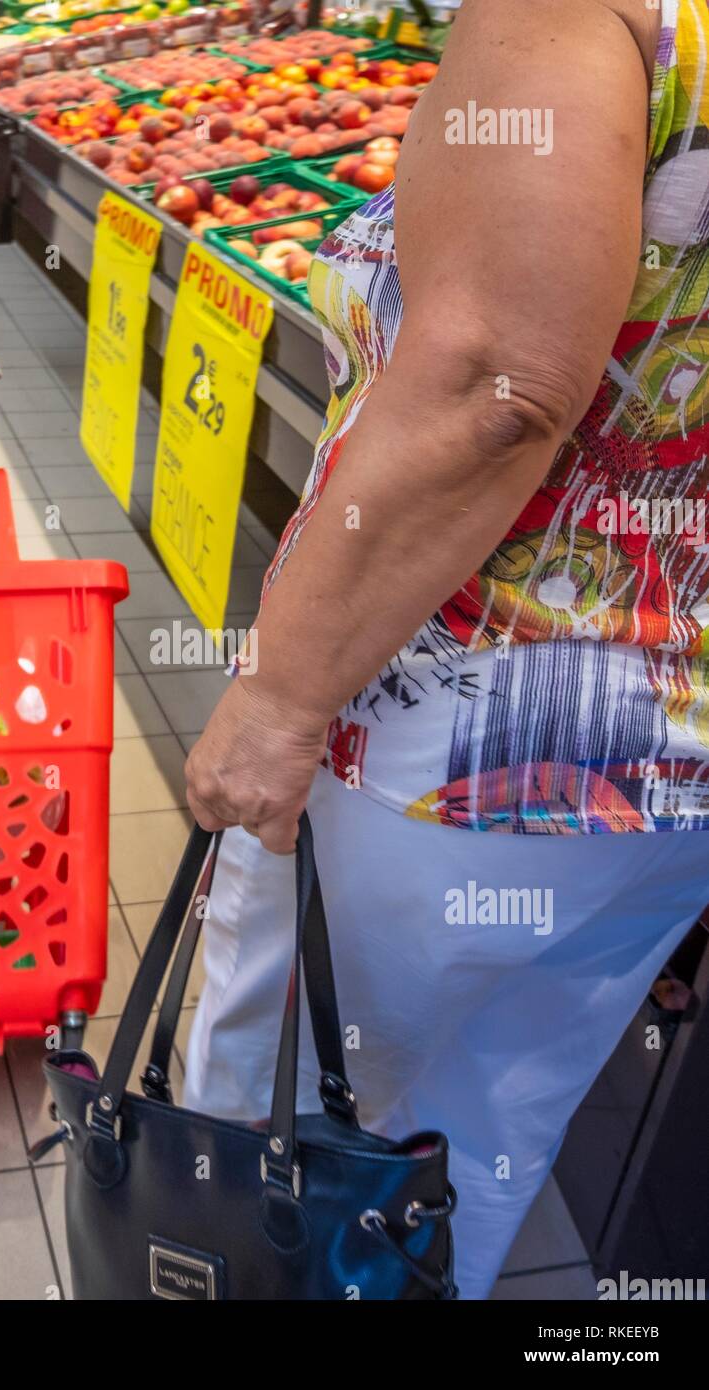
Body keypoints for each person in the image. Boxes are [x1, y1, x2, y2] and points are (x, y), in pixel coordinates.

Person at [182, 0, 709, 1298]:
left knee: (265, 1148)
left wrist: (285, 691)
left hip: (456, 746)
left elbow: (497, 389)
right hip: (662, 768)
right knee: (468, 1154)